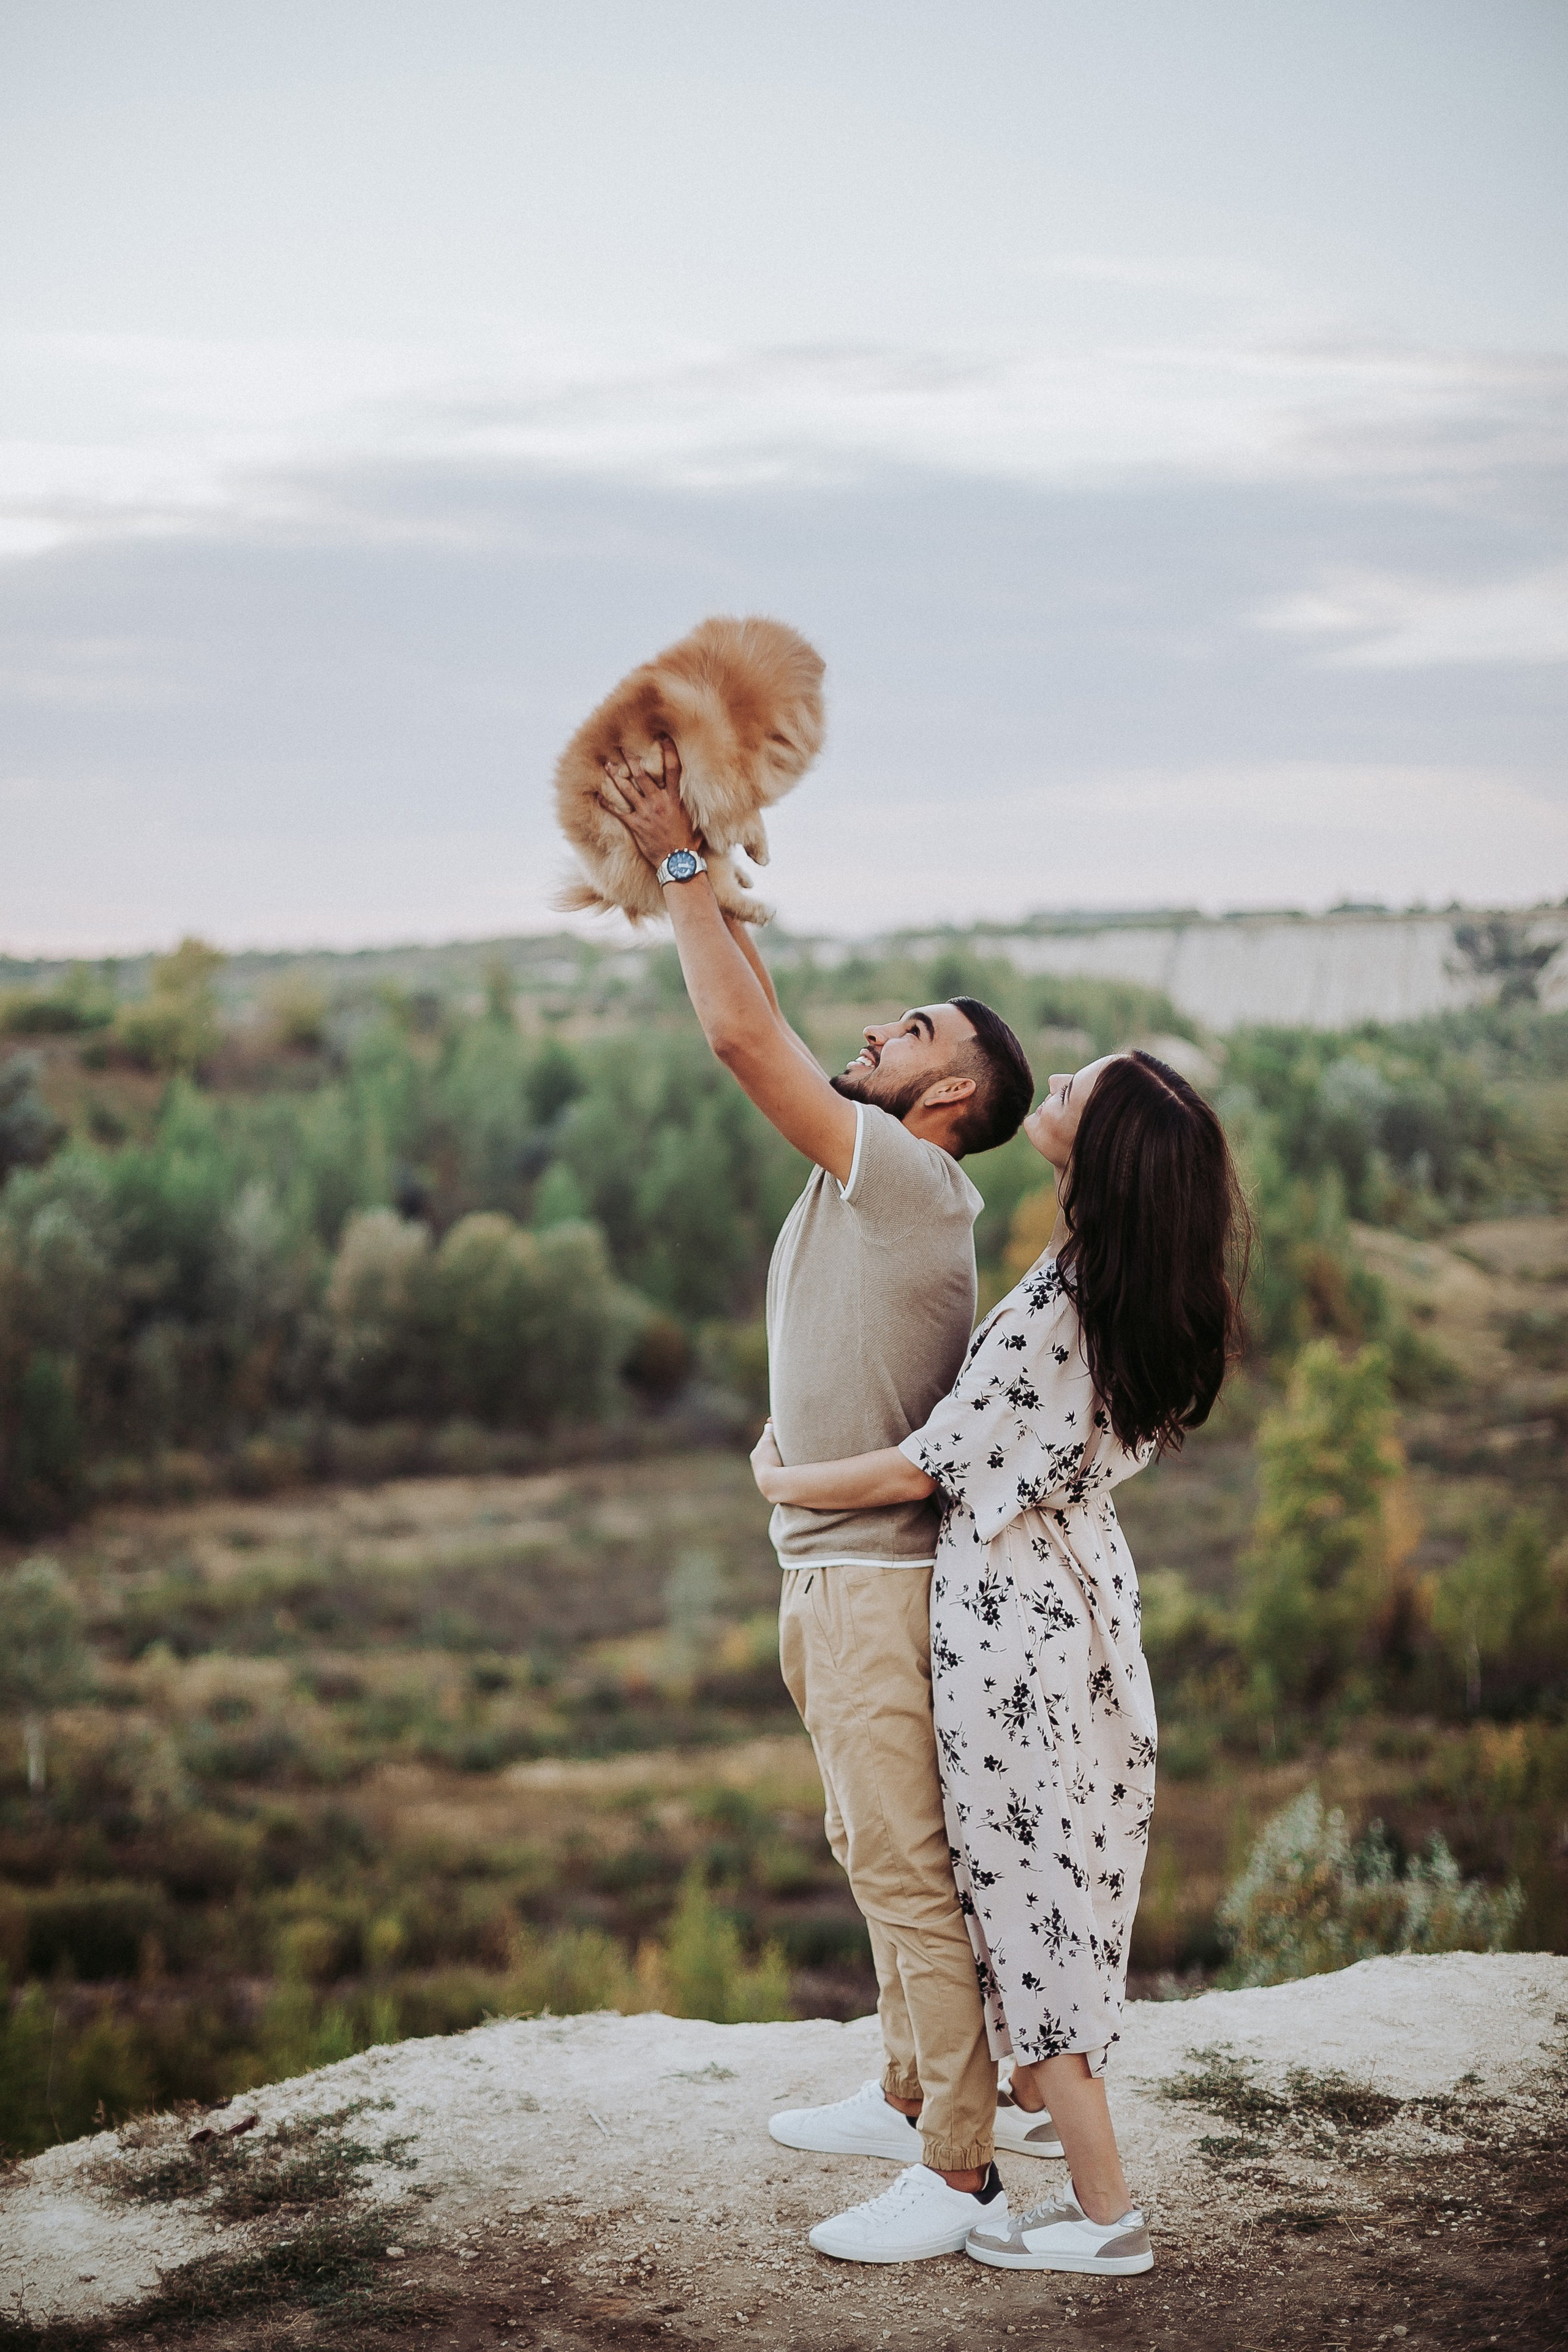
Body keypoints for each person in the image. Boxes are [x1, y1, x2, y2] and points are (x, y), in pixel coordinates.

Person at [598, 737, 1038, 2263]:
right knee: (871, 1852)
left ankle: (963, 2177)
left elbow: (738, 1039)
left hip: (871, 1582)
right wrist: (708, 870)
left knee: (910, 1874)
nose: (873, 1029)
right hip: (826, 1567)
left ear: (955, 1095)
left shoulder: (913, 1182)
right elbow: (769, 1014)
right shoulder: (880, 1170)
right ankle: (909, 2095)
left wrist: (671, 869)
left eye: (907, 1030)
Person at [752, 1048, 1250, 2277]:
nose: (1056, 1091)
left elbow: (930, 1464)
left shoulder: (1062, 1306)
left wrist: (784, 1480)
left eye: (1075, 1092)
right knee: (1024, 1900)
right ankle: (947, 2111)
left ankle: (1076, 2206)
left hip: (1010, 1628)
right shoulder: (1107, 1288)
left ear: (1105, 1156)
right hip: (1066, 1604)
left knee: (1018, 1913)